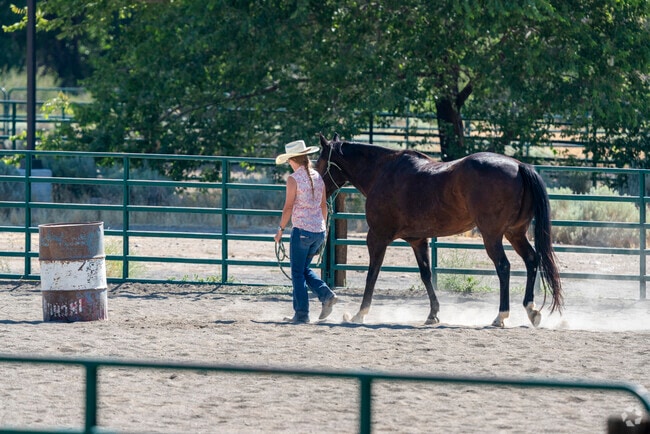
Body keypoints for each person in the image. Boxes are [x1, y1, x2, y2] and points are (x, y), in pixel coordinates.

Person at [274, 139, 338, 323]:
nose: (288, 163)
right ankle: (326, 295)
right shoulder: (318, 177)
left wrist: (280, 230)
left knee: (297, 273)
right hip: (318, 231)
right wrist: (323, 228)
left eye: (288, 160)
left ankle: (302, 314)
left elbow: (288, 207)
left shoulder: (293, 179)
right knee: (303, 269)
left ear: (293, 159)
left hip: (302, 231)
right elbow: (323, 205)